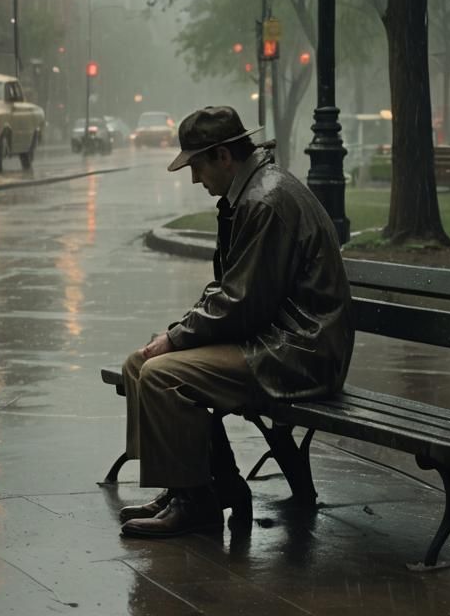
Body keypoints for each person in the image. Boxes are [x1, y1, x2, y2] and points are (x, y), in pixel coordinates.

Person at [118, 105, 354, 539]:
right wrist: (176, 333)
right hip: (273, 340)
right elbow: (230, 290)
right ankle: (197, 485)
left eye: (198, 166)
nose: (194, 179)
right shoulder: (250, 194)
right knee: (139, 364)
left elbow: (241, 303)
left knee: (161, 375)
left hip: (299, 351)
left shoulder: (264, 201)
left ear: (224, 156)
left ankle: (200, 502)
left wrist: (174, 340)